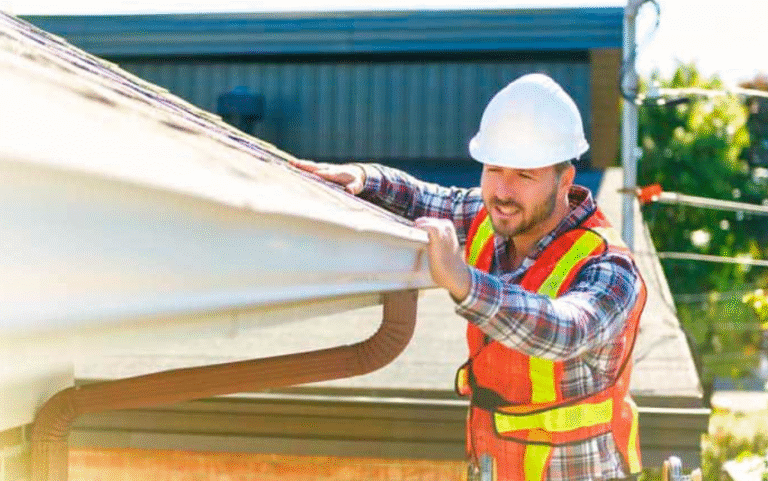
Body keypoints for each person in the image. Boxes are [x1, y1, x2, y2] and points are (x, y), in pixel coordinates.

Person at [291, 73, 646, 481]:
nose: (503, 191)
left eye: (524, 175)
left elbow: (565, 331)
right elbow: (424, 198)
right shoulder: (490, 216)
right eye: (494, 169)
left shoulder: (610, 267)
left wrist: (463, 282)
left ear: (565, 181)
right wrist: (365, 179)